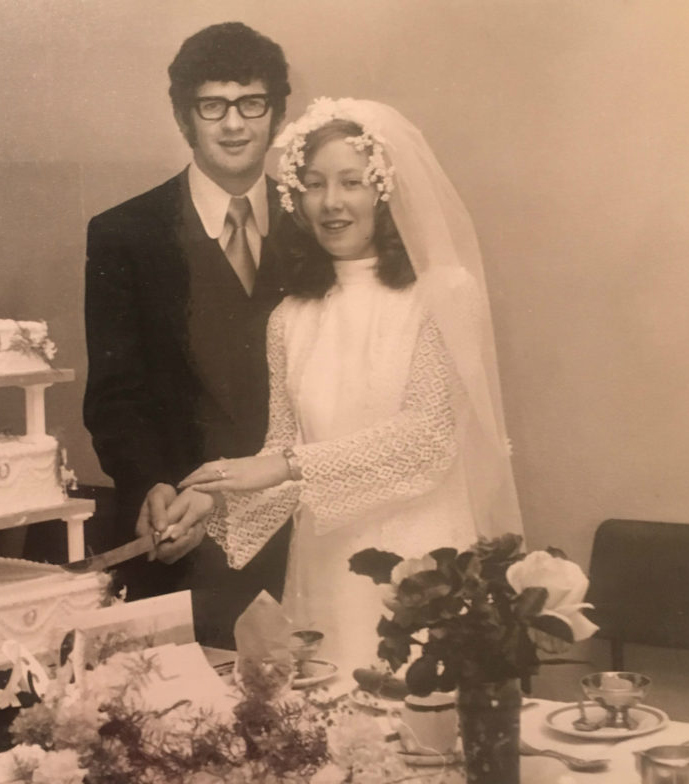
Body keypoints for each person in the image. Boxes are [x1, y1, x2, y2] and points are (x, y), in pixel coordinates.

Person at [176, 98, 524, 669]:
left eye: (352, 183)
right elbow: (283, 455)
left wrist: (286, 464)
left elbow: (427, 437)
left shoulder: (444, 294)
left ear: (385, 192)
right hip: (323, 564)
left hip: (418, 565)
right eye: (313, 184)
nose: (332, 203)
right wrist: (213, 496)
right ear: (295, 196)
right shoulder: (290, 317)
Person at [83, 22, 295, 648]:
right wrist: (152, 483)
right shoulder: (124, 233)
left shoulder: (316, 222)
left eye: (251, 103)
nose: (234, 125)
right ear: (184, 118)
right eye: (212, 106)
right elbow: (114, 396)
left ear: (277, 115)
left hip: (298, 532)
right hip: (179, 538)